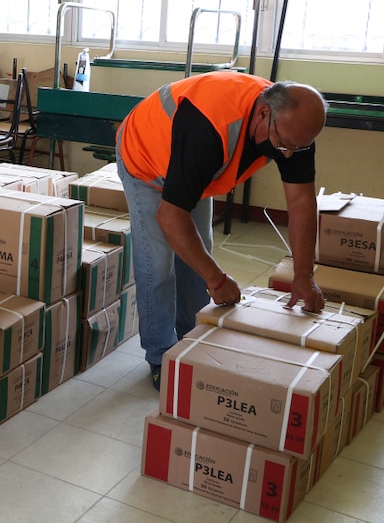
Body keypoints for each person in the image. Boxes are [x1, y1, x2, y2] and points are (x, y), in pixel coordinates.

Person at [115, 71, 327, 390]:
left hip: (195, 169)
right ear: (264, 113)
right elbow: (171, 218)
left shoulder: (294, 130)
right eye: (283, 144)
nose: (286, 154)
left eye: (296, 148)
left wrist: (303, 275)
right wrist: (217, 280)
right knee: (157, 265)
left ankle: (191, 338)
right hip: (145, 159)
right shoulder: (210, 126)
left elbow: (300, 202)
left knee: (197, 255)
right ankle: (160, 356)